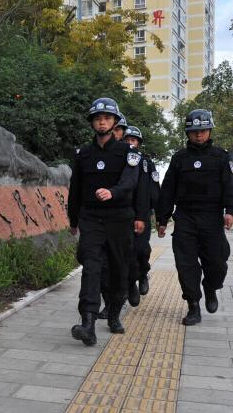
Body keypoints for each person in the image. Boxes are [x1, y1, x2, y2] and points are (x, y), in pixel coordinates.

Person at [68, 97, 142, 345]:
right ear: (92, 122)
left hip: (119, 219)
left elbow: (130, 181)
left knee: (119, 269)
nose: (102, 122)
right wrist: (73, 219)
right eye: (98, 119)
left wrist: (113, 192)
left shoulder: (129, 152)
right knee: (91, 267)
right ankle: (88, 323)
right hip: (91, 218)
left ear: (114, 122)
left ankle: (114, 313)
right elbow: (75, 190)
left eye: (107, 118)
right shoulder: (83, 154)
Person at [156, 109, 233, 325]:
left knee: (217, 262)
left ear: (209, 131)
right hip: (186, 217)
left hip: (212, 217)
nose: (199, 135)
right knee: (186, 264)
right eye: (194, 131)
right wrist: (163, 219)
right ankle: (193, 305)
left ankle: (211, 287)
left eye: (203, 131)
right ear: (188, 133)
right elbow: (167, 189)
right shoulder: (179, 158)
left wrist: (230, 211)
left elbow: (229, 186)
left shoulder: (221, 157)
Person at [98, 116, 147, 320]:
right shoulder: (101, 154)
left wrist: (141, 216)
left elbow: (143, 190)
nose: (116, 133)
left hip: (129, 216)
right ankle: (109, 304)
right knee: (103, 264)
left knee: (131, 257)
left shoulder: (134, 157)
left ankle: (132, 282)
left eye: (119, 130)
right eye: (115, 129)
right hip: (102, 218)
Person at [123, 126, 160, 296]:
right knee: (126, 251)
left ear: (138, 143)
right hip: (122, 213)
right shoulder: (118, 161)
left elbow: (155, 190)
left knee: (142, 249)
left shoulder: (147, 163)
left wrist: (160, 217)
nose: (130, 143)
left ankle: (143, 274)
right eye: (127, 140)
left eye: (133, 140)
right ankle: (130, 283)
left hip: (143, 214)